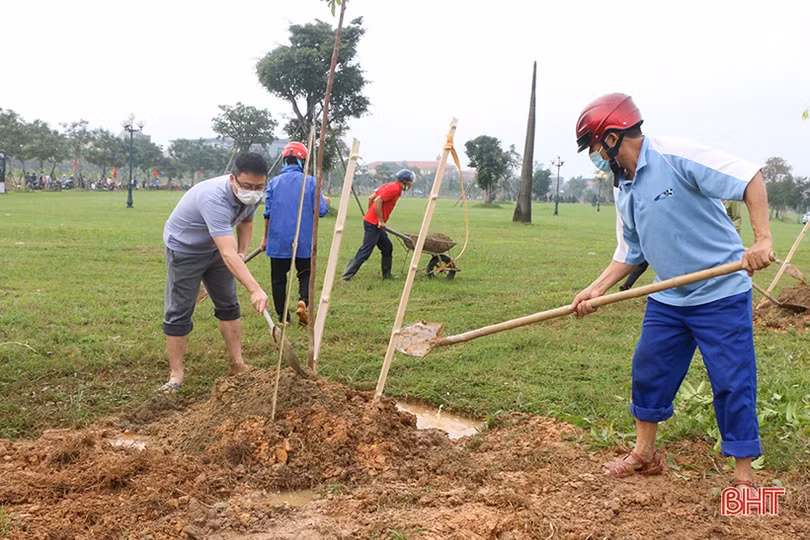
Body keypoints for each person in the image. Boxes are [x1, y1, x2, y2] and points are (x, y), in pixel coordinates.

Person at [570, 93, 773, 490]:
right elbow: (631, 249)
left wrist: (762, 239)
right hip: (669, 296)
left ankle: (744, 477)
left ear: (612, 138)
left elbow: (750, 177)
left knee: (732, 381)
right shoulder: (622, 186)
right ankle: (644, 453)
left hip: (721, 294)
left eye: (593, 146)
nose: (592, 155)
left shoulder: (674, 155)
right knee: (649, 371)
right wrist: (593, 290)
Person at [160, 152, 270, 393]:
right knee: (179, 310)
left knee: (229, 305)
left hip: (217, 247)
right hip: (185, 249)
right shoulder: (214, 198)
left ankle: (237, 364)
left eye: (259, 186)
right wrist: (255, 289)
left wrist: (242, 252)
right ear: (233, 179)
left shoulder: (253, 195)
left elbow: (246, 222)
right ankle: (176, 375)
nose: (253, 191)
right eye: (247, 186)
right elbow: (227, 253)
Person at [261, 142, 330, 326]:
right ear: (302, 161)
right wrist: (326, 202)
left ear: (285, 160)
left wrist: (265, 239)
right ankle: (303, 301)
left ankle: (283, 318)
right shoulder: (311, 182)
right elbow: (321, 211)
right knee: (305, 273)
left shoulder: (273, 183)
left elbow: (267, 213)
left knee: (278, 279)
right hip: (303, 240)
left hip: (278, 240)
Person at [342, 169, 414, 280]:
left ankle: (387, 275)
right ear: (404, 181)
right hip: (374, 224)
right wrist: (379, 220)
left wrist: (370, 214)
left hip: (373, 222)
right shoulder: (394, 188)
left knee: (387, 247)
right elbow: (377, 201)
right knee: (366, 250)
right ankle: (346, 276)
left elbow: (371, 198)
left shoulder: (388, 186)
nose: (411, 184)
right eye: (410, 181)